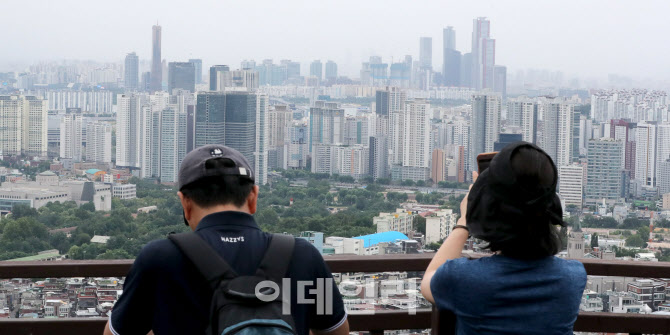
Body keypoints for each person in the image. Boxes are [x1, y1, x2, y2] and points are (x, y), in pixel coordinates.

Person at [104, 145, 348, 335]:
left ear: (184, 203)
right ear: (253, 197)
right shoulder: (304, 256)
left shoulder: (158, 260)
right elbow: (335, 330)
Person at [421, 142, 586, 335]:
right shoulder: (573, 277)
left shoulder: (464, 278)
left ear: (489, 210)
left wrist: (464, 220)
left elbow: (428, 281)